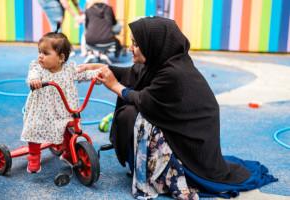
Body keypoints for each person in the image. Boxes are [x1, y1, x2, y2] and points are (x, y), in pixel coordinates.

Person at [78, 17, 277, 199]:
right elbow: (133, 73)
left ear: (152, 45)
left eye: (137, 44)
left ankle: (157, 173)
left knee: (129, 116)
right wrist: (101, 68)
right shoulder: (161, 62)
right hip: (180, 125)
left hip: (191, 139)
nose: (131, 48)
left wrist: (114, 85)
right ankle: (147, 167)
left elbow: (142, 100)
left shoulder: (173, 73)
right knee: (130, 114)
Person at [21, 32, 100, 173]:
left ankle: (69, 154)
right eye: (39, 52)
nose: (40, 56)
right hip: (41, 109)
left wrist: (95, 75)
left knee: (68, 129)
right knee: (34, 128)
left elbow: (83, 74)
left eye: (45, 53)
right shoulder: (37, 68)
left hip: (64, 108)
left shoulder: (69, 69)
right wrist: (34, 81)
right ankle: (34, 156)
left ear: (61, 58)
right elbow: (32, 75)